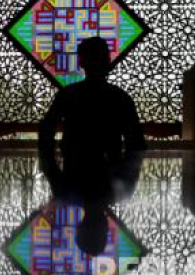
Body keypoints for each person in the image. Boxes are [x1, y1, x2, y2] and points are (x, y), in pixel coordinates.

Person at [38, 36, 146, 180]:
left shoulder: (68, 94)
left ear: (81, 63)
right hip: (108, 175)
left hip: (74, 172)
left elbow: (46, 130)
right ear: (108, 62)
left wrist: (53, 171)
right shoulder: (120, 97)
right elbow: (136, 143)